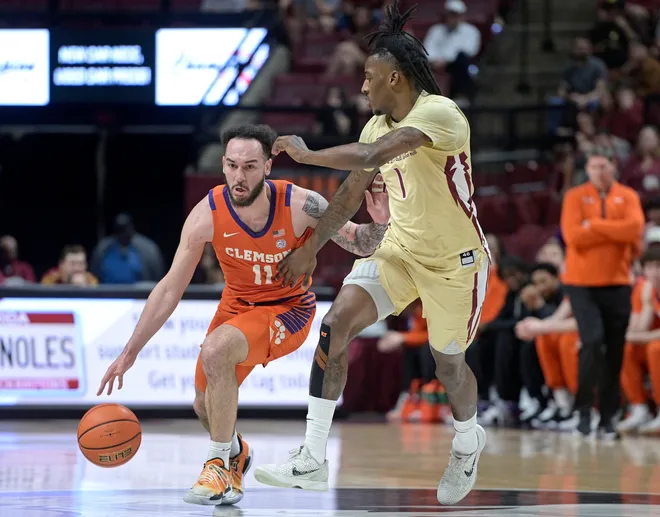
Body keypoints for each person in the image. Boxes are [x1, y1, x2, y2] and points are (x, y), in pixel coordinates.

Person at [255, 1, 490, 505]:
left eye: (370, 76)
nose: (363, 86)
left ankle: (468, 441)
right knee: (335, 325)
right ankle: (313, 458)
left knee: (448, 367)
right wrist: (309, 250)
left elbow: (369, 158)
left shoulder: (440, 114)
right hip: (400, 249)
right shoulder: (375, 124)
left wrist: (306, 153)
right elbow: (349, 194)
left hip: (456, 263)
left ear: (397, 78)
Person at [96, 124, 389, 506]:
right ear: (222, 165)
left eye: (250, 166)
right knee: (204, 405)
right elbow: (170, 287)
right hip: (237, 307)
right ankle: (236, 453)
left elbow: (361, 243)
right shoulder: (207, 213)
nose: (239, 175)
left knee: (216, 349)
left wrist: (380, 221)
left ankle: (216, 465)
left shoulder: (299, 204)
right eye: (232, 165)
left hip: (288, 310)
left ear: (268, 166)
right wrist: (130, 351)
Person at [560, 147, 645, 439]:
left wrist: (594, 225)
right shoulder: (574, 197)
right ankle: (583, 409)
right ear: (588, 170)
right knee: (593, 343)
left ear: (614, 168)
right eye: (594, 167)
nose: (600, 172)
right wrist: (613, 232)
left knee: (615, 351)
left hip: (619, 282)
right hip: (582, 284)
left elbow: (634, 230)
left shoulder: (629, 196)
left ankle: (608, 417)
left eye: (604, 167)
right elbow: (573, 237)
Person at [619, 247, 660, 433]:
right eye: (650, 267)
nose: (655, 272)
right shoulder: (644, 290)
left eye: (659, 266)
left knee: (655, 349)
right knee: (625, 348)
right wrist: (646, 302)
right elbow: (637, 329)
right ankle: (639, 407)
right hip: (652, 341)